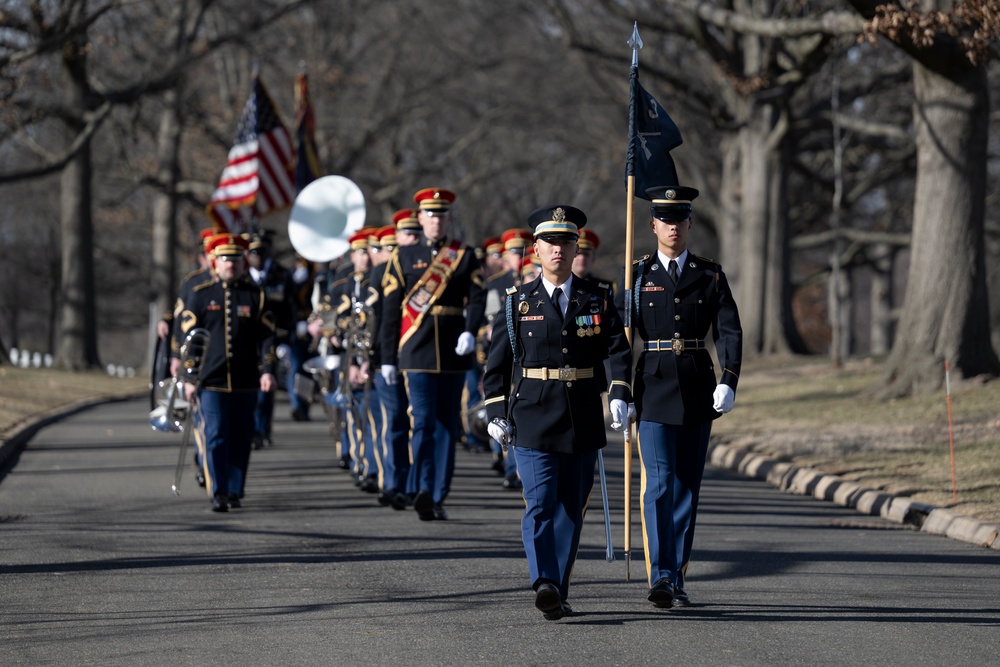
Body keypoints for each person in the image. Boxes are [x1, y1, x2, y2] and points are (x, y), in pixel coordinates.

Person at [483, 204, 632, 621]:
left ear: (575, 247)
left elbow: (617, 350)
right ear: (536, 249)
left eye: (567, 242)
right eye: (550, 242)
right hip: (531, 413)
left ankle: (558, 589)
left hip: (582, 412)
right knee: (540, 500)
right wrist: (495, 411)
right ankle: (543, 580)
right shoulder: (517, 303)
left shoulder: (597, 298)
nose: (559, 250)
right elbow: (496, 365)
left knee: (571, 506)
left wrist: (620, 391)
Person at [616, 185, 742, 609]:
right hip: (652, 389)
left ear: (689, 224)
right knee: (660, 485)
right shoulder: (637, 275)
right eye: (664, 220)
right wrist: (620, 389)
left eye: (680, 219)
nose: (673, 227)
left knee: (687, 487)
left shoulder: (709, 274)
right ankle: (662, 576)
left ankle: (678, 574)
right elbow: (621, 340)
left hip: (696, 387)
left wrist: (729, 379)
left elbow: (729, 331)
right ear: (653, 225)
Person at [379, 188, 486, 521]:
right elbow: (391, 312)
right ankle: (422, 487)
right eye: (430, 214)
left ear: (447, 218)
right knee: (422, 422)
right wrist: (386, 357)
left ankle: (438, 494)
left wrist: (470, 329)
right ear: (420, 218)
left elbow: (477, 297)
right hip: (416, 351)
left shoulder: (464, 255)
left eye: (441, 215)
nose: (436, 220)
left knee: (446, 426)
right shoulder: (403, 257)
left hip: (454, 349)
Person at [176, 232, 277, 512]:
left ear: (243, 262)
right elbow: (189, 341)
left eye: (235, 258)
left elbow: (267, 337)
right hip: (211, 380)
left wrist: (267, 370)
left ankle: (235, 489)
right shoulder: (200, 295)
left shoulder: (254, 295)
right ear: (214, 261)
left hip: (246, 380)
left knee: (242, 437)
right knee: (216, 434)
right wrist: (188, 377)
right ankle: (218, 491)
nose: (230, 263)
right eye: (224, 258)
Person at [246, 229, 296, 449]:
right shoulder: (243, 277)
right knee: (249, 388)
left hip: (272, 339)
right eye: (253, 252)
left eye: (260, 251)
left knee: (267, 387)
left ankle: (263, 430)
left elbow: (290, 311)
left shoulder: (282, 275)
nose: (257, 256)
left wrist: (285, 339)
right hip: (248, 342)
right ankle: (251, 430)